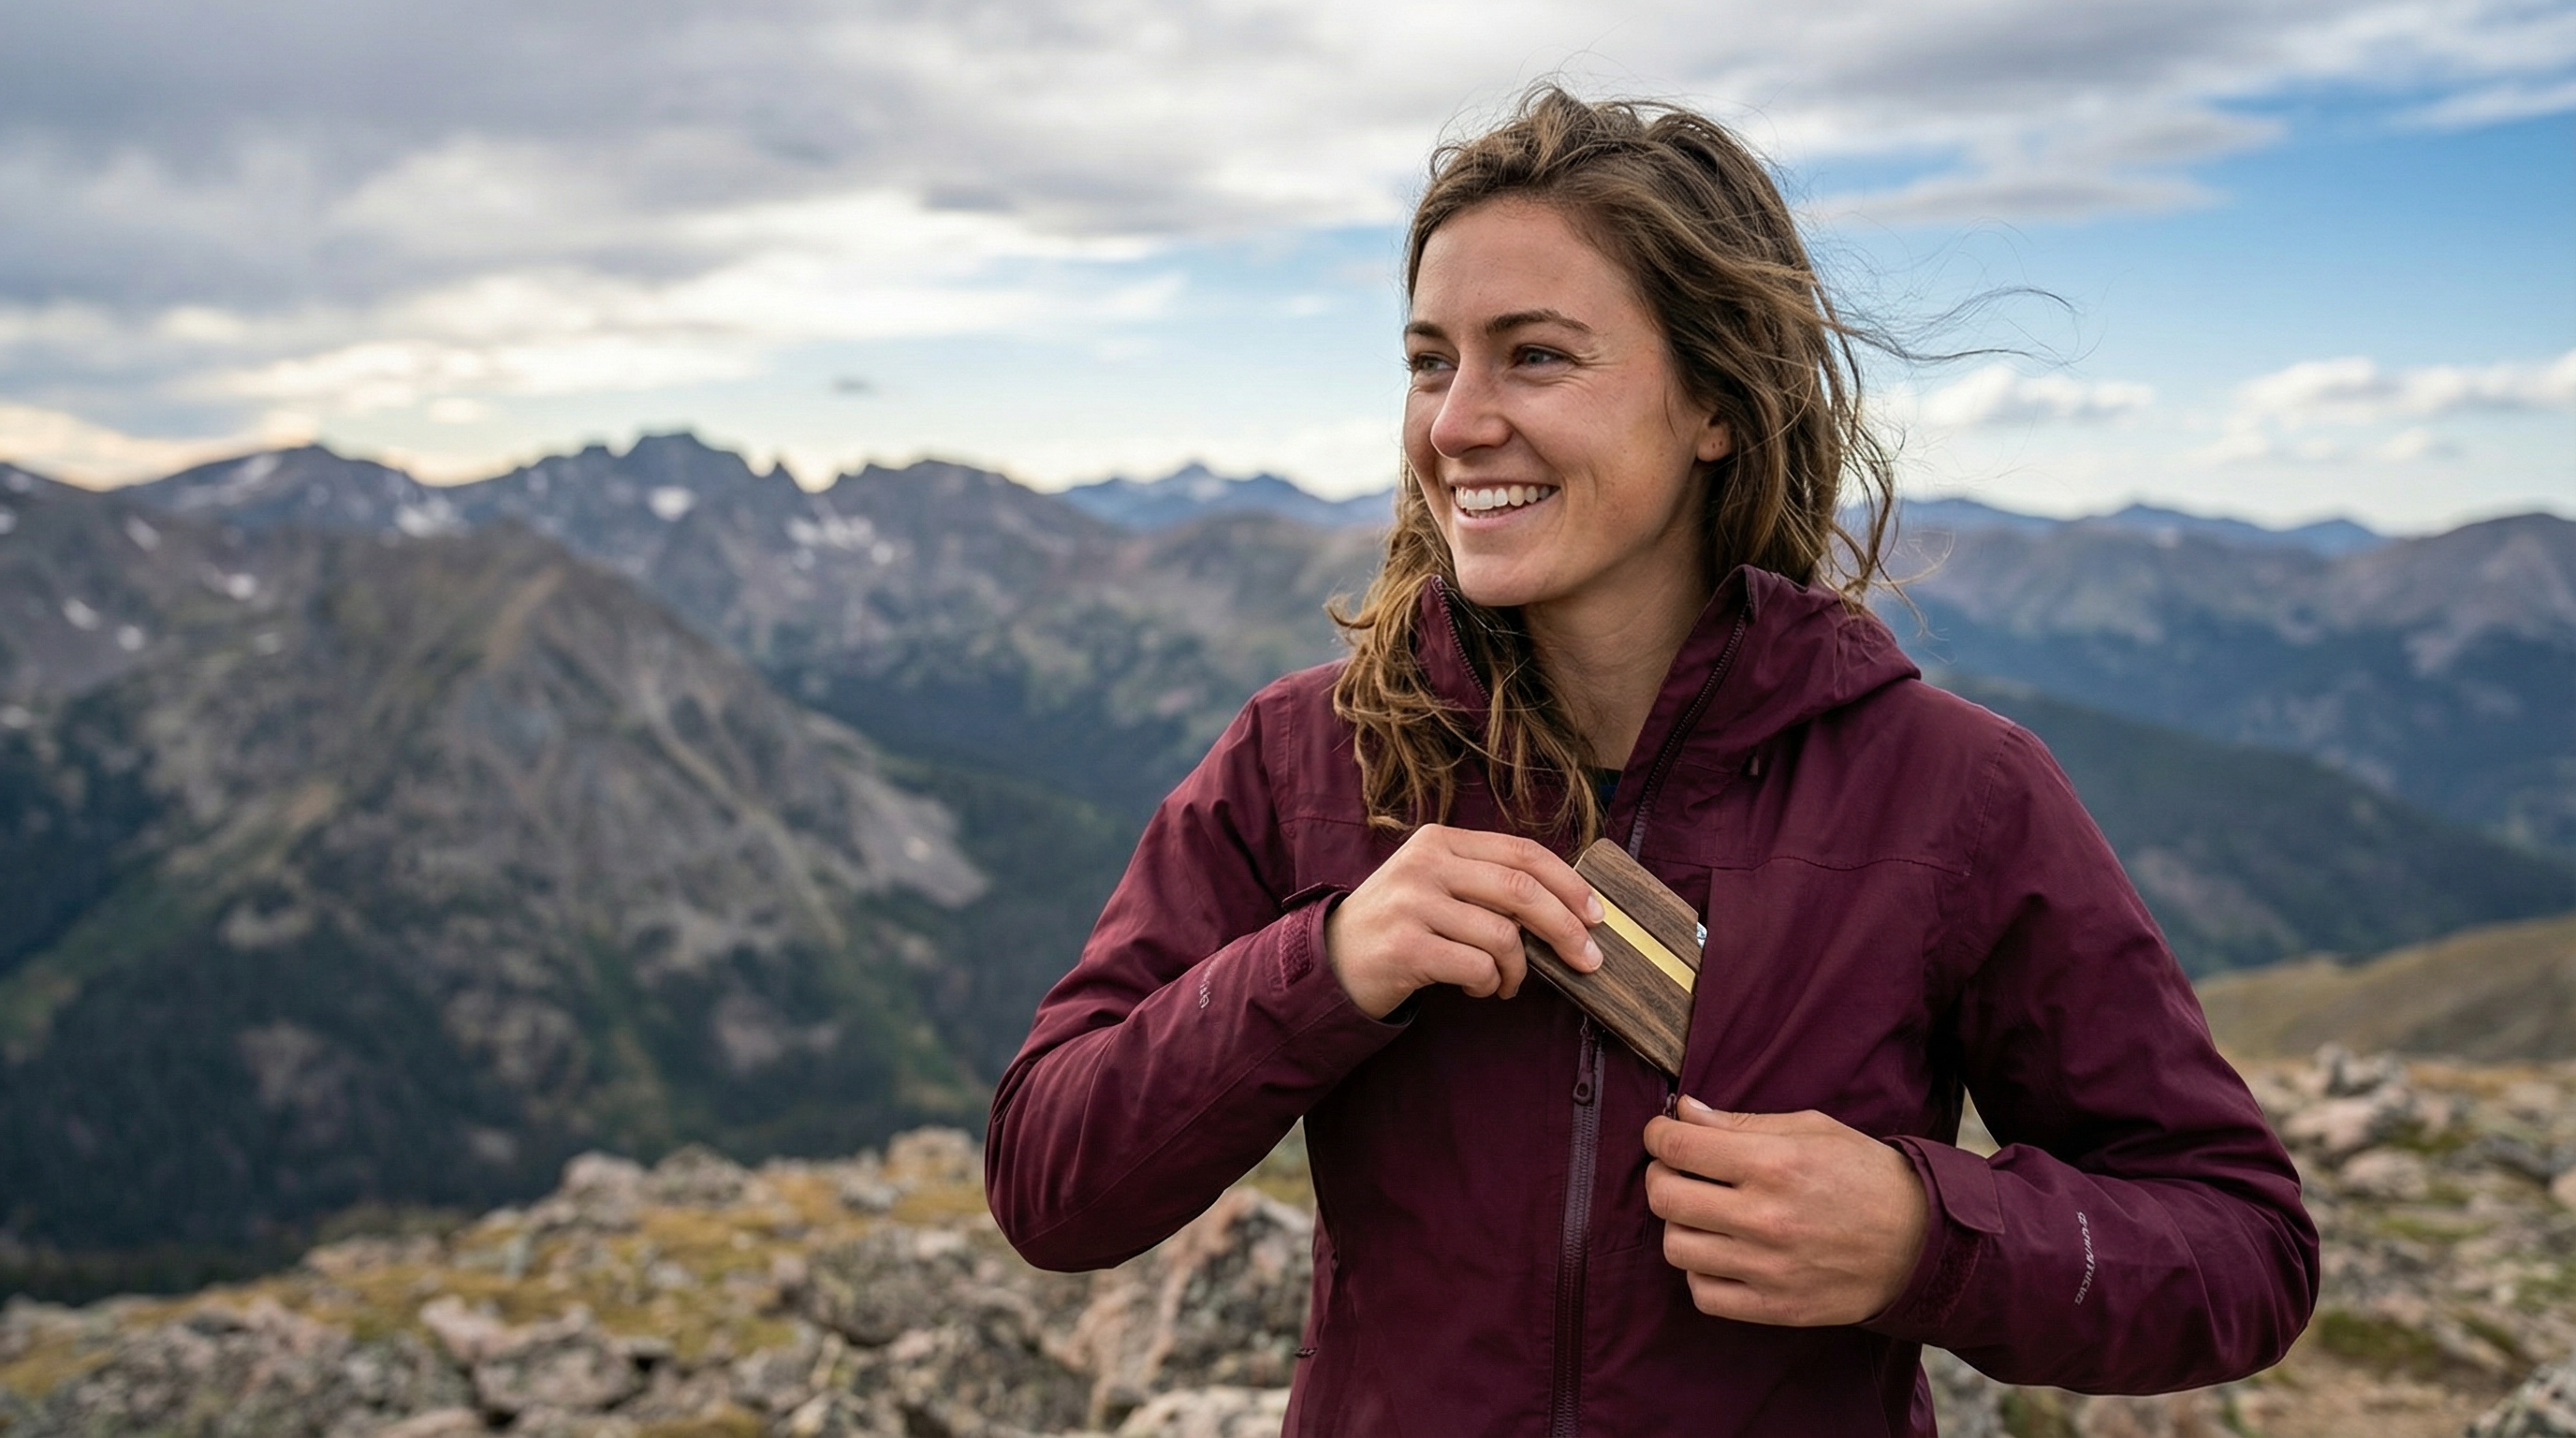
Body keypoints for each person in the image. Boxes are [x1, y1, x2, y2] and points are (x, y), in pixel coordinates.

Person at [986, 86, 2317, 1436]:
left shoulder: (1951, 791)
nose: (1455, 424)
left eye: (1539, 356)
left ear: (1716, 405)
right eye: (1430, 360)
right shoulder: (1307, 758)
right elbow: (1049, 1182)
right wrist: (1324, 965)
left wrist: (1927, 1233)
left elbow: (2244, 1249)